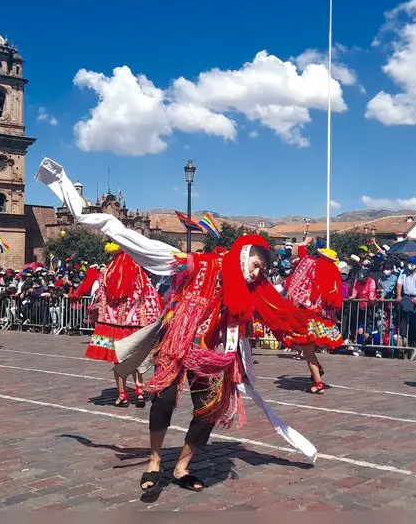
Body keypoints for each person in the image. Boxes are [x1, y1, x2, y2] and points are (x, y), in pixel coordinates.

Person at [37, 159, 318, 494]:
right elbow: (130, 237)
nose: (257, 274)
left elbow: (278, 317)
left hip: (213, 352)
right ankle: (155, 460)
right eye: (256, 265)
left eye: (262, 270)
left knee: (210, 408)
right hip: (177, 342)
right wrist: (74, 197)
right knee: (165, 397)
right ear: (244, 255)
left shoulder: (251, 292)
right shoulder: (197, 264)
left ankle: (182, 466)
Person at [84, 242, 163, 407]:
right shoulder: (140, 275)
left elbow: (99, 297)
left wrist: (94, 311)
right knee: (136, 359)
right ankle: (140, 393)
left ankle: (122, 396)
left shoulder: (108, 274)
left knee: (119, 360)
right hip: (136, 326)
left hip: (114, 326)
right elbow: (152, 299)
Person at [281, 237, 345, 394]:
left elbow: (303, 254)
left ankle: (318, 383)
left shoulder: (312, 265)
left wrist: (305, 242)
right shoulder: (333, 273)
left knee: (307, 351)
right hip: (321, 317)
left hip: (307, 316)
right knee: (307, 349)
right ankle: (318, 371)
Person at [395, 255, 416, 355]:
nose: (411, 265)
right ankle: (405, 338)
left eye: (413, 264)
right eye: (409, 263)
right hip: (406, 296)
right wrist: (398, 296)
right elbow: (399, 284)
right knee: (405, 318)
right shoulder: (403, 272)